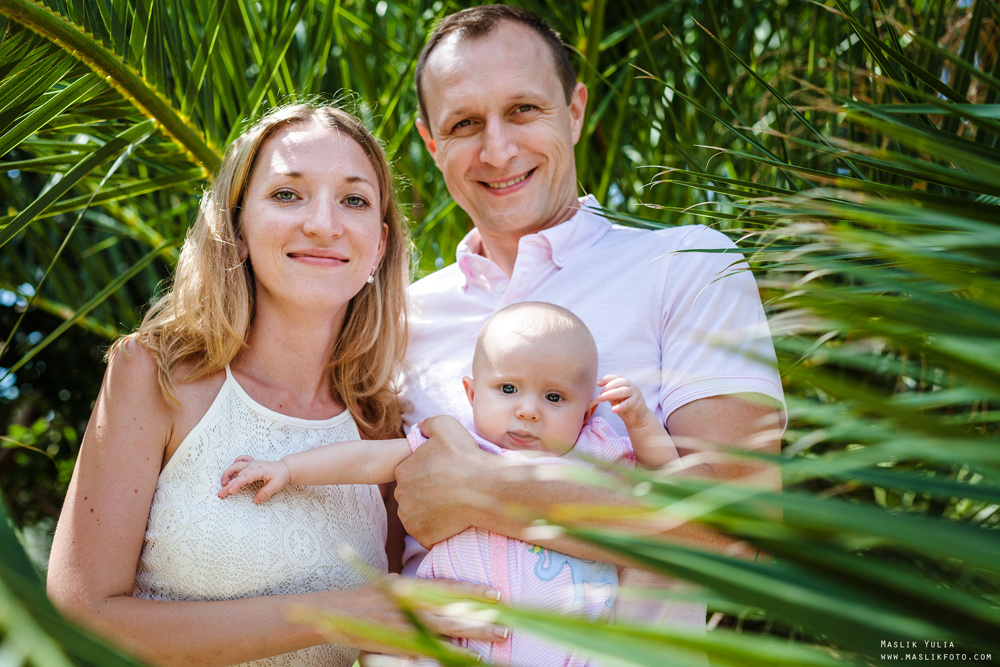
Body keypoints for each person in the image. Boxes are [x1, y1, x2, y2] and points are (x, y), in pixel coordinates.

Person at [46, 103, 505, 667]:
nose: (323, 223)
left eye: (354, 199)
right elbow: (80, 615)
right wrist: (338, 613)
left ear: (379, 247)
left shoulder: (379, 421)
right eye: (288, 194)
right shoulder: (153, 376)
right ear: (237, 230)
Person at [393, 3, 786, 640]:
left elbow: (743, 531)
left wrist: (486, 488)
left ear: (574, 112)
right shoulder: (402, 320)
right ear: (432, 143)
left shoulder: (684, 265)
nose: (498, 149)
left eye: (524, 110)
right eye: (465, 124)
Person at [218, 301, 679, 666]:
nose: (528, 409)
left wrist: (640, 423)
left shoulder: (595, 450)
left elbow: (669, 486)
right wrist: (290, 468)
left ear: (588, 410)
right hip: (455, 642)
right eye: (508, 389)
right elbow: (366, 460)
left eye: (554, 397)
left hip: (572, 648)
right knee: (386, 658)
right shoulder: (457, 446)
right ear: (472, 394)